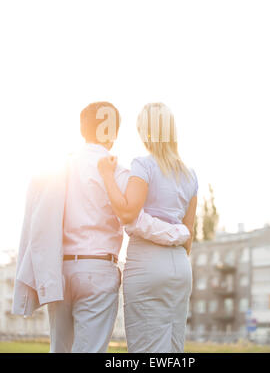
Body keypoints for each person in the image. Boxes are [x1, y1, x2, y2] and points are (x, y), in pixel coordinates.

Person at [44, 101, 190, 352]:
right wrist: (179, 233)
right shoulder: (119, 172)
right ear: (114, 132)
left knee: (59, 349)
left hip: (59, 269)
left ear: (82, 129)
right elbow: (133, 218)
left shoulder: (57, 169)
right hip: (98, 268)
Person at [98, 102, 198, 353]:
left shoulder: (143, 166)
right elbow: (189, 235)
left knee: (146, 350)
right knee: (173, 350)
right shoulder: (190, 175)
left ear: (145, 131)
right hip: (180, 268)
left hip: (147, 264)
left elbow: (128, 212)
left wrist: (107, 175)